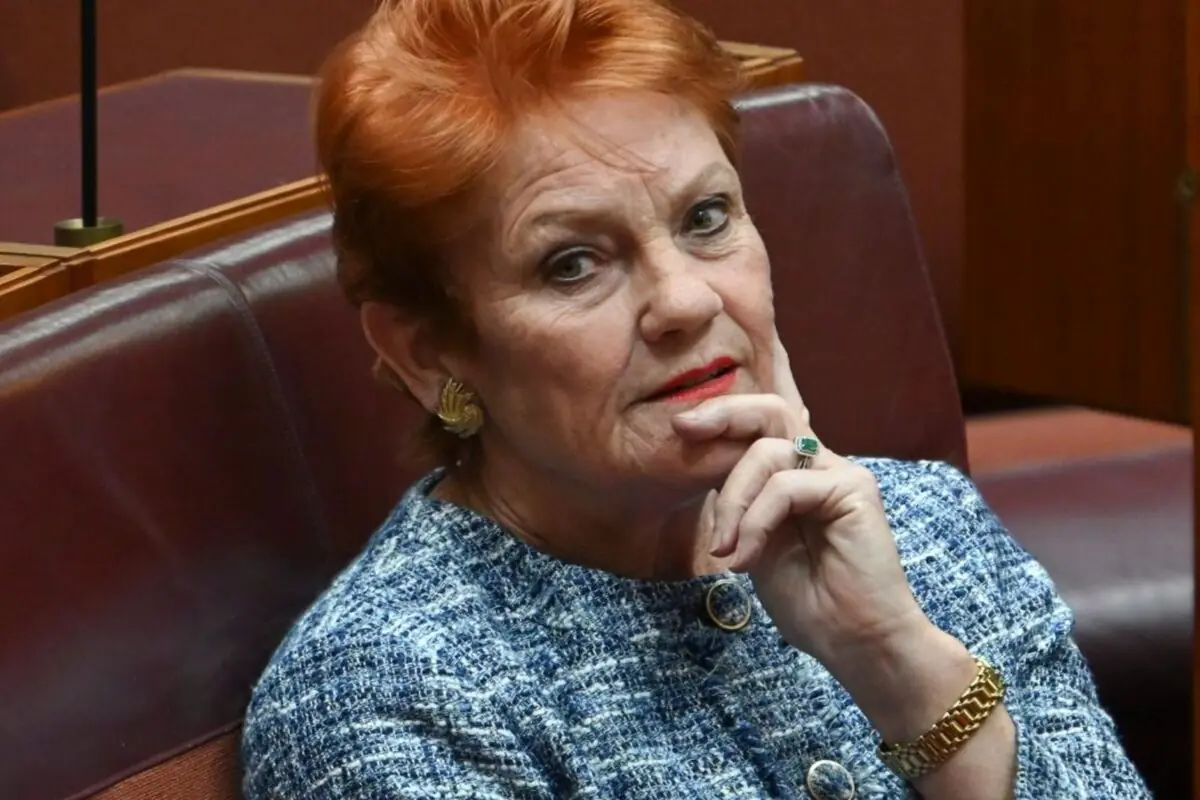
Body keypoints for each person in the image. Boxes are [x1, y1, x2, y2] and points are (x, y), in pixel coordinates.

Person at [241, 1, 1148, 797]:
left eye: (705, 217)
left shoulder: (920, 526)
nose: (686, 300)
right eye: (573, 264)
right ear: (431, 351)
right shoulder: (394, 698)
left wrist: (897, 659)